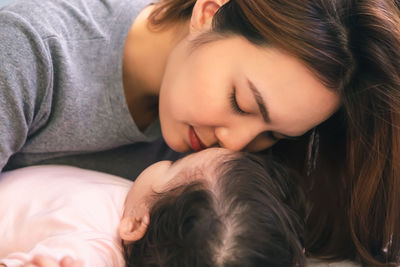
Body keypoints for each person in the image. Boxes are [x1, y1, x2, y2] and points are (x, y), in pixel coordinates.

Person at [0, 0, 399, 265]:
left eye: (273, 135)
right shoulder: (26, 50)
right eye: (241, 103)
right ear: (208, 12)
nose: (237, 144)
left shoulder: (217, 175)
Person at [0, 148, 306, 267]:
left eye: (173, 165)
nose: (164, 160)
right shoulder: (140, 207)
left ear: (134, 225)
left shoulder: (95, 250)